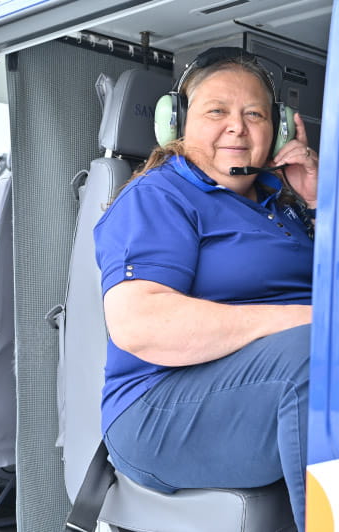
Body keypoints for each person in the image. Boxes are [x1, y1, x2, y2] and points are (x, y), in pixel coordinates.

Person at [93, 47, 318, 531]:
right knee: (315, 355)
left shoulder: (283, 203)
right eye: (217, 111)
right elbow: (142, 324)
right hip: (156, 411)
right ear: (175, 125)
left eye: (254, 114)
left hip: (267, 379)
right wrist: (305, 321)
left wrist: (320, 203)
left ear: (276, 129)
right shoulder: (158, 196)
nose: (237, 127)